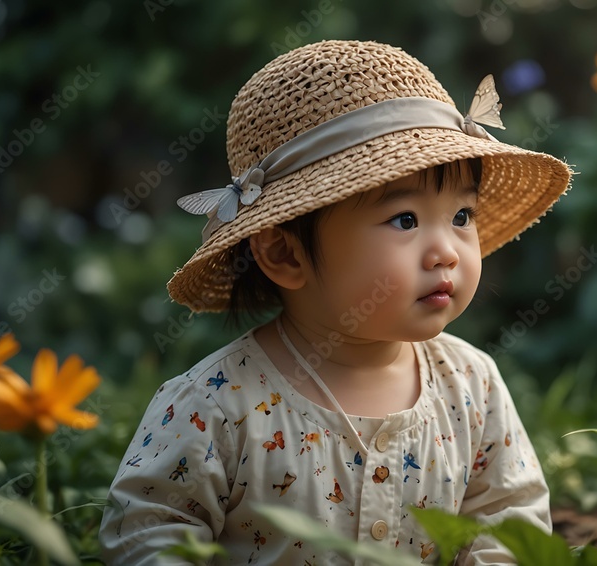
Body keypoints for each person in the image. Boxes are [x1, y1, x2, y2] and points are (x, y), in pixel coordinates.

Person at [99, 39, 572, 565]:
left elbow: (509, 524)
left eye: (462, 216)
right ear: (284, 253)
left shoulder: (473, 388)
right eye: (405, 220)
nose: (446, 252)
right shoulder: (215, 407)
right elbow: (148, 536)